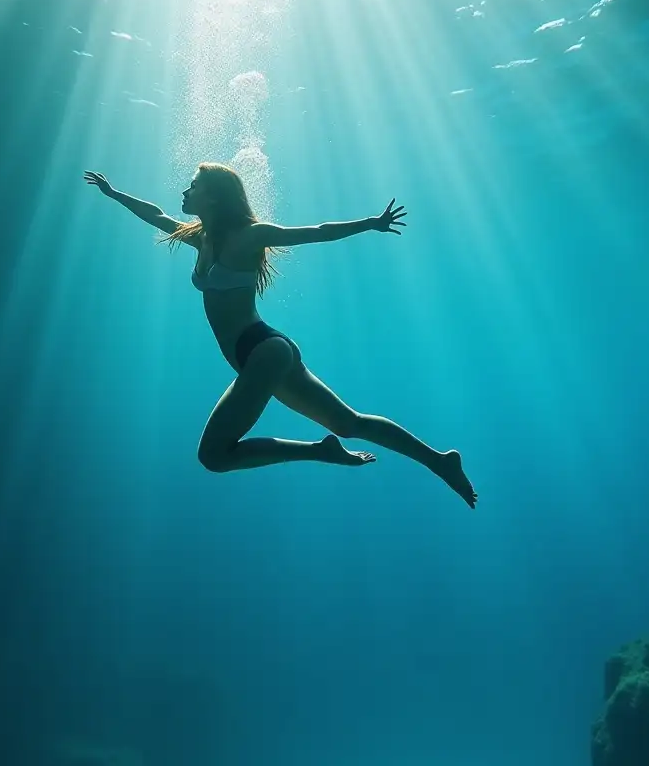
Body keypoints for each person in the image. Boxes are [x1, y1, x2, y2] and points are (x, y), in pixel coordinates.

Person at [83, 163, 477, 508]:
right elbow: (154, 214)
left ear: (216, 197)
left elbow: (317, 232)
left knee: (214, 456)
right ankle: (440, 460)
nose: (185, 191)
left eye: (194, 184)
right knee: (348, 423)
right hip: (261, 354)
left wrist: (370, 223)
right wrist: (114, 193)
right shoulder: (198, 236)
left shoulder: (249, 236)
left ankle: (323, 454)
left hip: (263, 351)